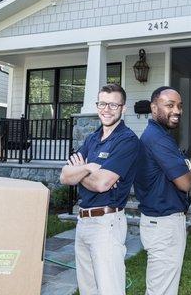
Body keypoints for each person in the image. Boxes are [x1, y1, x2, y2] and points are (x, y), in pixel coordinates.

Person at [59, 83, 141, 295]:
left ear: (123, 109)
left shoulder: (127, 141)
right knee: (88, 289)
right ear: (97, 106)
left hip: (107, 224)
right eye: (102, 103)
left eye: (113, 105)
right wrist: (87, 168)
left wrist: (79, 171)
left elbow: (102, 184)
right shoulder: (92, 138)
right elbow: (64, 176)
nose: (107, 109)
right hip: (83, 221)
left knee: (109, 290)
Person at [134, 86, 191, 295]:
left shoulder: (157, 136)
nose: (177, 110)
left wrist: (186, 166)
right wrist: (190, 167)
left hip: (158, 222)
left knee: (161, 288)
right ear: (154, 108)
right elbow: (186, 183)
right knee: (161, 290)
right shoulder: (159, 139)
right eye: (169, 105)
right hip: (164, 225)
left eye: (179, 106)